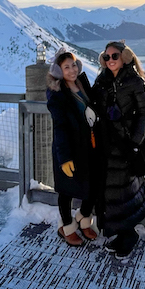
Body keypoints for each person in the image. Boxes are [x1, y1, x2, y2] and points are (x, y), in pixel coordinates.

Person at [92, 40, 145, 259]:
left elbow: (143, 114)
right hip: (107, 145)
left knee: (126, 191)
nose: (110, 60)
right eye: (106, 57)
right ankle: (121, 233)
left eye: (114, 56)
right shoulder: (102, 80)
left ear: (124, 57)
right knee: (111, 193)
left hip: (126, 147)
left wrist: (134, 142)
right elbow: (93, 105)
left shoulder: (134, 81)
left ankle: (129, 235)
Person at [46, 47, 102, 246]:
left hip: (90, 146)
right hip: (69, 148)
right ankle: (67, 226)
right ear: (59, 71)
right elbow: (60, 127)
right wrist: (65, 158)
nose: (71, 70)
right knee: (66, 189)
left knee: (93, 185)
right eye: (66, 67)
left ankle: (84, 218)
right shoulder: (57, 93)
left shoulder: (82, 83)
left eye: (73, 65)